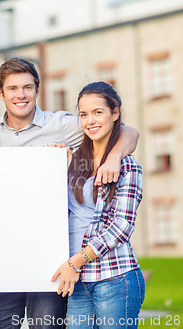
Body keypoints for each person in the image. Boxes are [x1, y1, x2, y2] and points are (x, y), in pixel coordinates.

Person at [0, 58, 140, 329]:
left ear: (38, 89)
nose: (21, 95)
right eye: (12, 88)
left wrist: (114, 158)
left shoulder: (64, 125)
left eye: (27, 87)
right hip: (6, 254)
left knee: (47, 326)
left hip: (52, 256)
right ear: (1, 93)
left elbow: (125, 131)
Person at [51, 82, 145, 328]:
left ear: (115, 113)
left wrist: (75, 262)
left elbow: (121, 226)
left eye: (98, 112)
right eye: (83, 114)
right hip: (78, 281)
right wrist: (54, 168)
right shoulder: (75, 162)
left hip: (114, 278)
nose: (90, 120)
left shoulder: (127, 166)